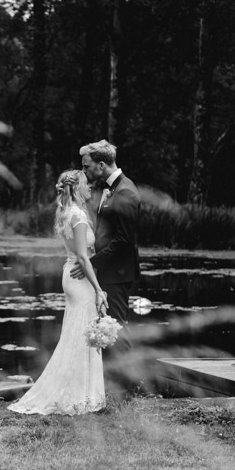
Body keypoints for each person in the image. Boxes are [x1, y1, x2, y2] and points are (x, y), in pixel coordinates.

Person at [8, 170, 107, 415]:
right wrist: (99, 290)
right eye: (85, 186)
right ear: (75, 189)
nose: (88, 190)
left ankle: (79, 392)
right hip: (79, 277)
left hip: (70, 273)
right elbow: (84, 257)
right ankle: (80, 395)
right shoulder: (79, 216)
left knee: (76, 333)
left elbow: (79, 254)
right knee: (83, 333)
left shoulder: (66, 213)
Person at [72, 139, 140, 355]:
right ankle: (116, 384)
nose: (84, 170)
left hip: (117, 273)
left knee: (116, 328)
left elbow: (123, 241)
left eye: (86, 166)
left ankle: (132, 385)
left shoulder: (125, 192)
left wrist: (89, 264)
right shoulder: (112, 189)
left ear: (101, 165)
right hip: (110, 270)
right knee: (109, 328)